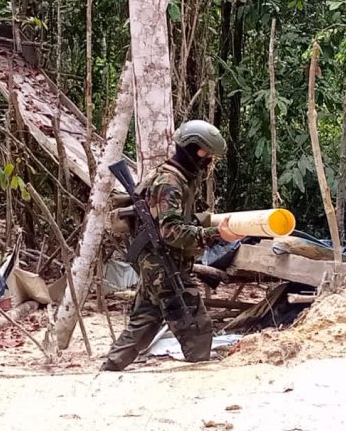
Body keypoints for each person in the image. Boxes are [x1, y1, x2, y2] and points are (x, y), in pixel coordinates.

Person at [101, 119, 243, 371]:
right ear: (192, 148)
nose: (208, 160)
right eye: (205, 153)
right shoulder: (170, 182)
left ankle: (111, 367)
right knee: (196, 327)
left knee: (144, 321)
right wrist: (215, 233)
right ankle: (198, 378)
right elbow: (171, 231)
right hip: (165, 266)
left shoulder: (174, 176)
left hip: (157, 265)